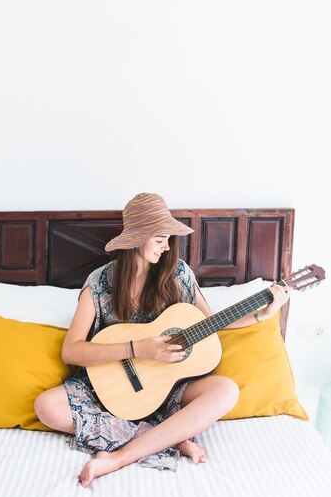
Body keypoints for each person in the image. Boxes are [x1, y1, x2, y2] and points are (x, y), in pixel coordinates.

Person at [34, 193, 291, 487]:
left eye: (168, 238)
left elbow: (212, 323)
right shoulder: (99, 283)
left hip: (168, 387)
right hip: (114, 384)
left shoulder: (178, 274)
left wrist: (263, 314)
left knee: (226, 390)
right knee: (46, 406)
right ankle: (167, 436)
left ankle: (120, 456)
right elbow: (72, 350)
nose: (166, 246)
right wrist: (139, 348)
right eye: (159, 239)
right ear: (138, 237)